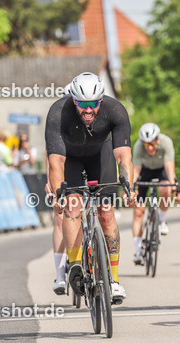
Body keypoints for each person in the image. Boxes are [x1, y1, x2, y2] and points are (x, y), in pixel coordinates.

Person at [45, 72, 132, 301]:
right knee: (72, 206)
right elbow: (56, 161)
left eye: (94, 104)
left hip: (100, 155)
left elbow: (123, 155)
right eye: (82, 104)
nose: (88, 110)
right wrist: (58, 194)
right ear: (73, 100)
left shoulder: (115, 110)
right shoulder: (58, 113)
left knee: (106, 213)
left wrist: (128, 186)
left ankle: (114, 281)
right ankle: (75, 266)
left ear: (101, 100)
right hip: (71, 158)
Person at [130, 122, 180, 264]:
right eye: (146, 145)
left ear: (158, 139)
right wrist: (132, 188)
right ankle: (138, 250)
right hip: (144, 171)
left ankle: (161, 220)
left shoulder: (166, 142)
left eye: (152, 144)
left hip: (161, 170)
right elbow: (135, 170)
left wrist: (175, 189)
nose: (150, 148)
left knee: (166, 189)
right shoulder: (138, 146)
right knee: (138, 211)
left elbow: (170, 168)